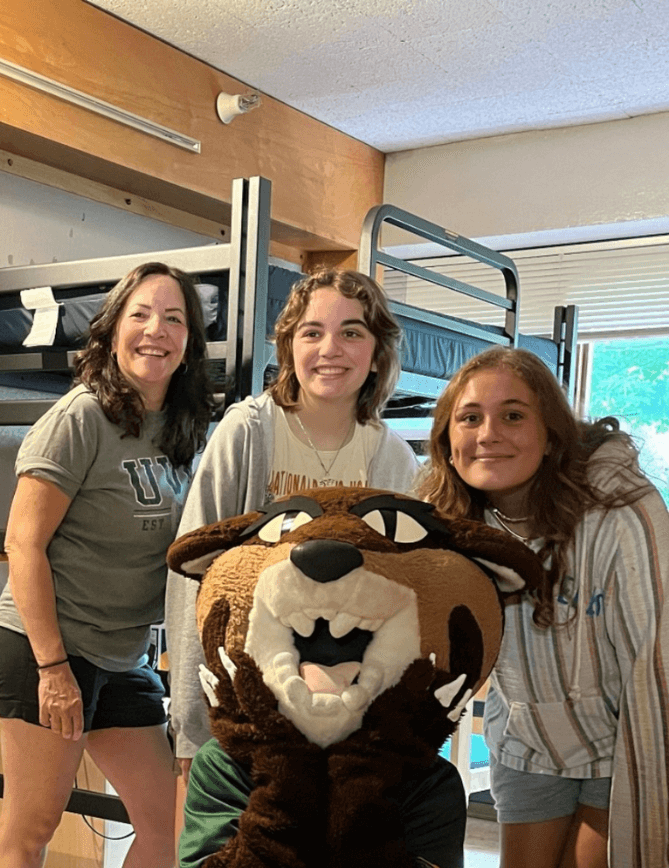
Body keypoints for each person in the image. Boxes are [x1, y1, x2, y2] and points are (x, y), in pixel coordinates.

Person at [166, 268, 465, 867]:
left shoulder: (391, 458)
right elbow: (194, 576)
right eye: (312, 332)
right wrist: (194, 718)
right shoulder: (248, 433)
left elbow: (409, 593)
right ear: (289, 347)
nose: (330, 350)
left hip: (349, 710)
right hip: (251, 710)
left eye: (351, 333)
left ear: (377, 352)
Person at [0, 261, 217, 868]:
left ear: (190, 339)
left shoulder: (189, 430)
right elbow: (22, 544)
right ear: (113, 331)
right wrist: (53, 668)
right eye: (139, 315)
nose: (155, 331)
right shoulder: (82, 417)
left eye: (173, 318)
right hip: (49, 647)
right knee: (31, 829)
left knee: (171, 825)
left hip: (123, 655)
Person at [417, 346, 669, 868]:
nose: (488, 434)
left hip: (620, 746)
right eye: (470, 418)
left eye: (513, 415)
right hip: (529, 742)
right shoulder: (453, 528)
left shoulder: (621, 512)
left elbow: (656, 659)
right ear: (447, 439)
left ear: (550, 432)